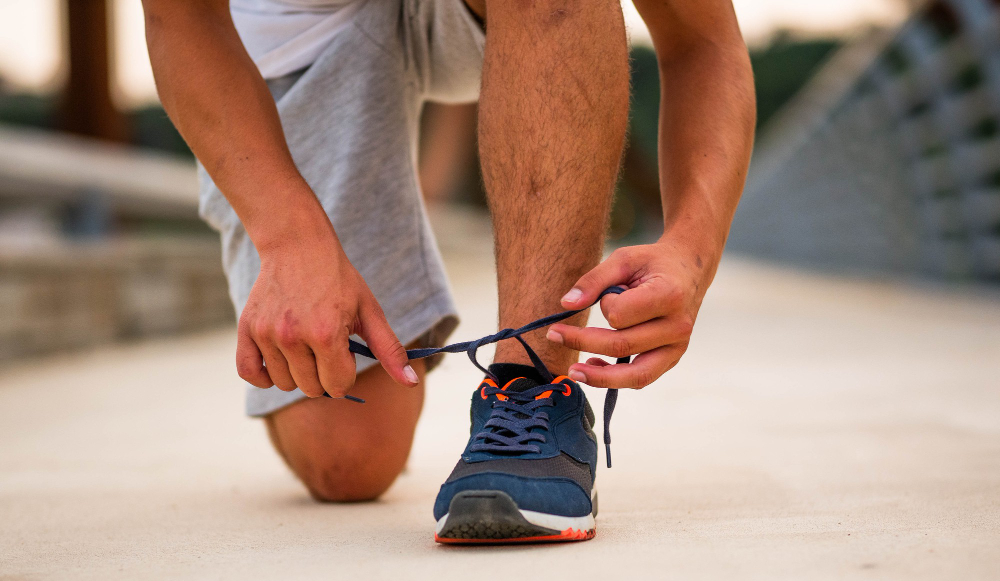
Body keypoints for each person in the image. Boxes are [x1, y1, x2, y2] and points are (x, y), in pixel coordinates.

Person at [141, 0, 755, 543]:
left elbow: (703, 41)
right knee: (348, 459)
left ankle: (529, 385)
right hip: (298, 20)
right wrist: (289, 242)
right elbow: (179, 18)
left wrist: (691, 253)